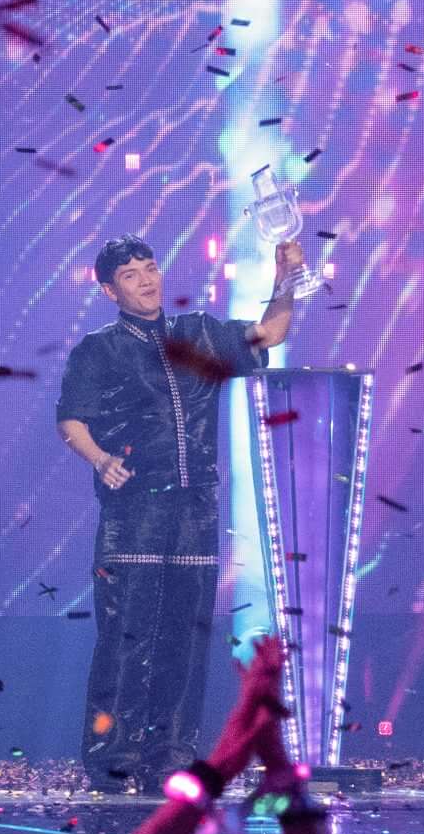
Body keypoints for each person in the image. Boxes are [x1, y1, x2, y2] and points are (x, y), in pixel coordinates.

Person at [49, 228, 306, 790]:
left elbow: (269, 332)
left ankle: (169, 754)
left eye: (150, 268)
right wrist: (100, 458)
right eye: (130, 276)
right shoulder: (98, 349)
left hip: (195, 511)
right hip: (133, 512)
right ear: (110, 291)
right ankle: (112, 757)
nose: (145, 281)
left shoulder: (199, 334)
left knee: (184, 641)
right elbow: (70, 418)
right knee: (126, 637)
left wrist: (285, 281)